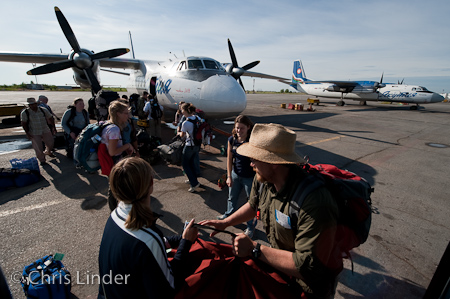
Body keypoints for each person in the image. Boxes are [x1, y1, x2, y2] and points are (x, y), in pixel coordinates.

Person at [200, 123, 342, 299]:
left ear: (273, 163)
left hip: (310, 287)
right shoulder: (263, 180)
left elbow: (309, 267)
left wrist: (254, 248)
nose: (251, 163)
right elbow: (253, 205)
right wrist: (225, 222)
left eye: (255, 158)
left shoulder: (314, 201)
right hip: (283, 272)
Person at [98, 157, 198, 299]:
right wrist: (186, 243)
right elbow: (171, 286)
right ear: (151, 184)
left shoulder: (115, 215)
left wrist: (181, 238)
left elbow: (139, 248)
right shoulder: (148, 239)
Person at [217, 115, 257, 238]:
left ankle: (250, 226)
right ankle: (229, 215)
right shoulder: (232, 140)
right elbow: (229, 159)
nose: (239, 131)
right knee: (231, 197)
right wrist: (229, 176)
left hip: (250, 177)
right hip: (235, 174)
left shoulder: (252, 141)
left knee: (250, 203)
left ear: (248, 127)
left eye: (242, 128)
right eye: (237, 128)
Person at [99, 101, 136, 210]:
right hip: (114, 162)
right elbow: (112, 152)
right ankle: (115, 211)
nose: (127, 115)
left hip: (110, 161)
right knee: (116, 189)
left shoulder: (108, 125)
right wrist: (127, 146)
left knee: (114, 187)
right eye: (125, 113)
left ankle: (115, 211)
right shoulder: (114, 129)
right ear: (118, 114)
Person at [21, 97, 57, 166]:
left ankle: (48, 151)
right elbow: (24, 123)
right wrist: (27, 133)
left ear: (36, 104)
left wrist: (53, 127)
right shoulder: (25, 112)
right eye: (30, 105)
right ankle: (42, 160)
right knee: (38, 147)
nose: (32, 106)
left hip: (45, 129)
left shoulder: (43, 110)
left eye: (33, 104)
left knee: (51, 143)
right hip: (34, 131)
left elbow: (50, 118)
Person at [177, 103, 201, 193]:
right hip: (197, 145)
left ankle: (194, 183)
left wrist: (179, 133)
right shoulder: (197, 118)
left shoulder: (186, 123)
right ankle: (192, 179)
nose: (181, 111)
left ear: (186, 111)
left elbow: (182, 135)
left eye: (182, 110)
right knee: (192, 164)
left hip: (189, 145)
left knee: (185, 164)